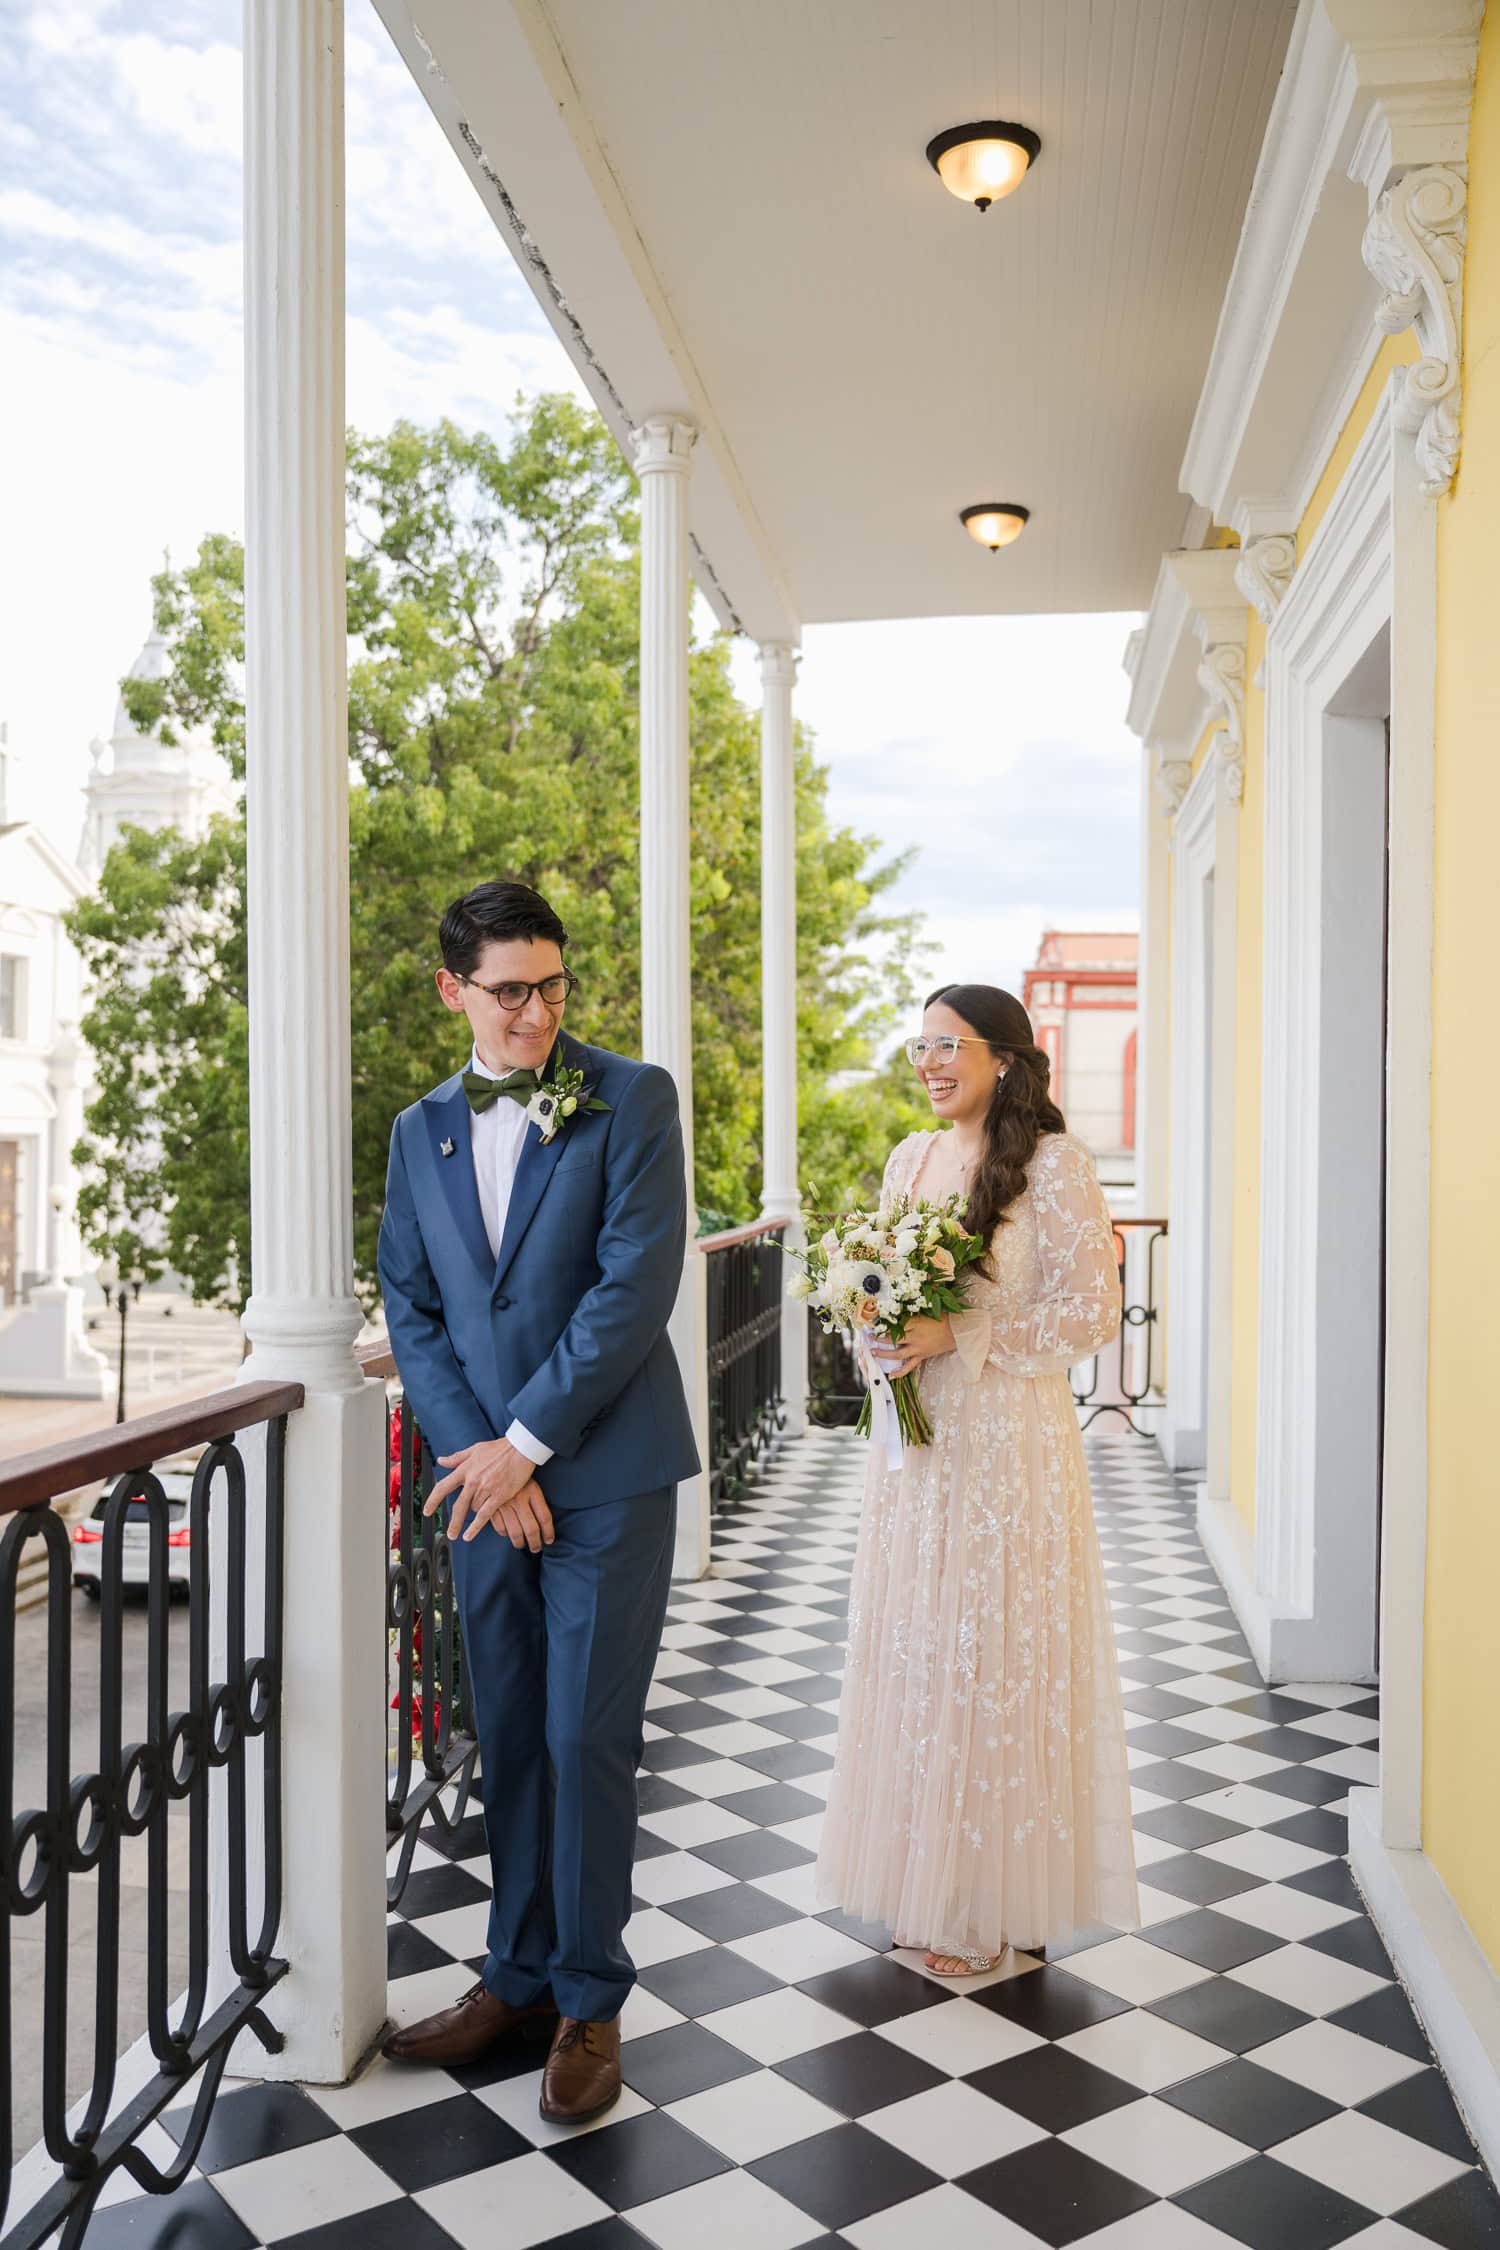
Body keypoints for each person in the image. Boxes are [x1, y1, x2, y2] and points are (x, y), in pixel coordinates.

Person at [377, 880, 699, 2121]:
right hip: (481, 1491)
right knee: (505, 1731)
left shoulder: (632, 1098)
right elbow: (410, 1304)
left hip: (605, 1479)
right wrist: (479, 1455)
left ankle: (589, 2000)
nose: (537, 1013)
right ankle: (509, 1977)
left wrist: (526, 1444)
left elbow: (634, 1287)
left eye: (554, 986)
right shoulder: (418, 1131)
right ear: (454, 988)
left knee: (583, 1739)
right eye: (511, 990)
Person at [818, 982, 1139, 1974]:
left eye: (947, 1045)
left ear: (1003, 1055)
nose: (928, 1064)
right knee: (920, 1644)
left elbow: (1092, 1314)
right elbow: (876, 1285)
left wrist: (962, 1329)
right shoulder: (909, 1160)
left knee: (994, 1648)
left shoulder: (1057, 1167)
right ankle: (926, 1875)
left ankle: (996, 1895)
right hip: (919, 1455)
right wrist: (877, 1335)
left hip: (1012, 1445)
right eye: (918, 1048)